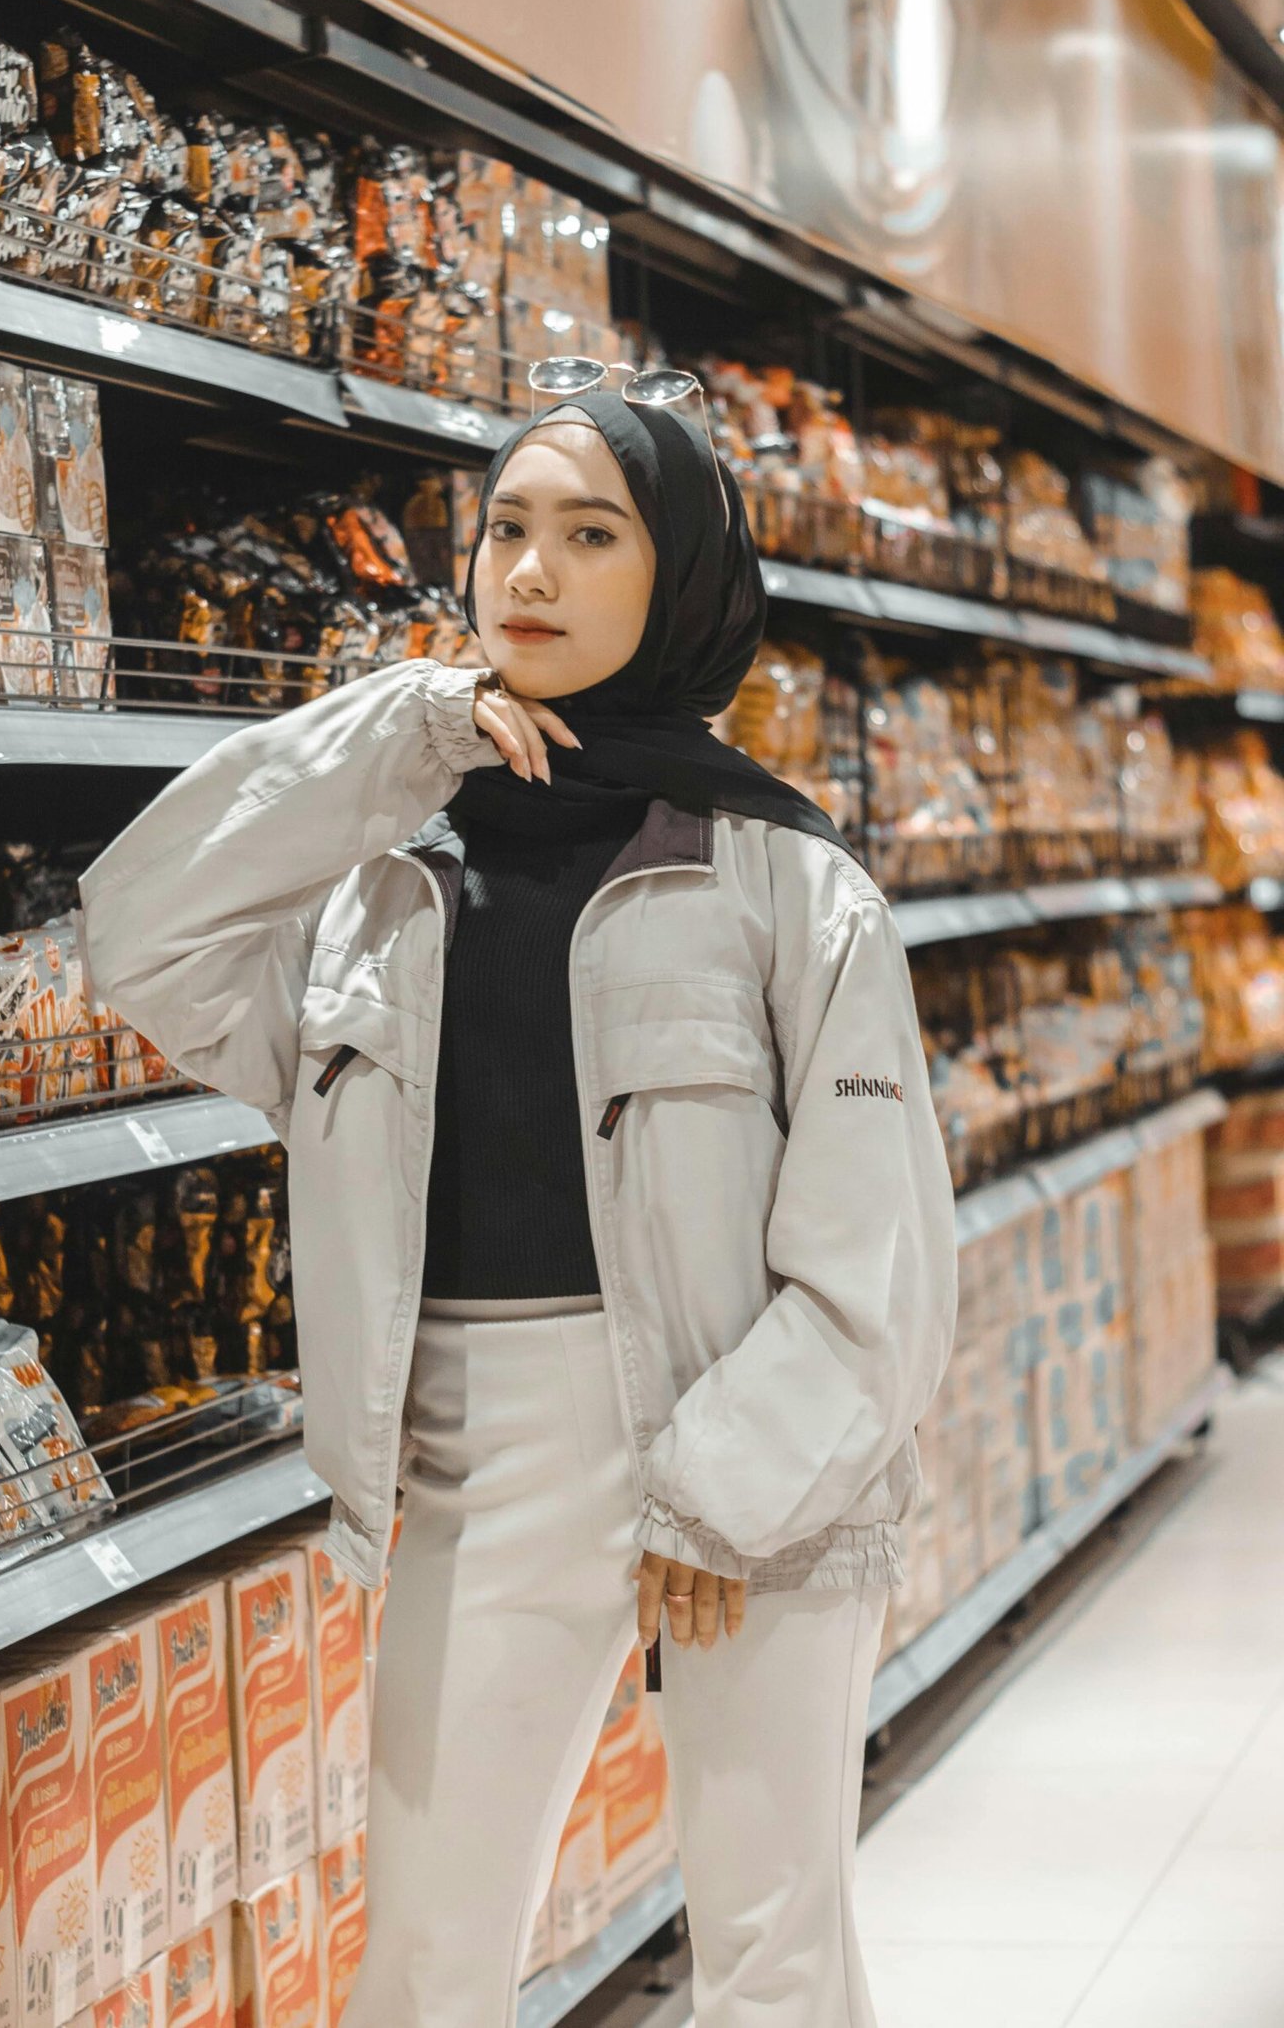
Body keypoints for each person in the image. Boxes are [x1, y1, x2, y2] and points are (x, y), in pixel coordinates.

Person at [77, 391, 958, 2027]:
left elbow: (877, 1259)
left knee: (776, 1960)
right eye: (507, 528)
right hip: (480, 1450)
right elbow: (138, 928)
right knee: (427, 1964)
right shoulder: (389, 882)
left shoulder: (785, 881)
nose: (531, 571)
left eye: (592, 531)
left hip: (759, 1451)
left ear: (677, 571)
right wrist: (402, 730)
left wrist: (721, 1487)